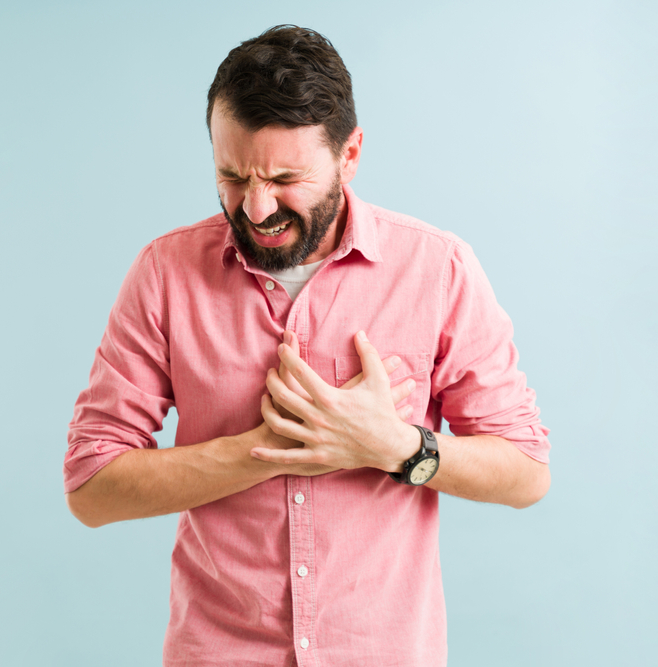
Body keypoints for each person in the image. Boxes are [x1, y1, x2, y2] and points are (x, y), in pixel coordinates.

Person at [64, 24, 550, 667]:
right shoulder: (164, 273)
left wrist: (395, 447)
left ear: (349, 156)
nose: (256, 207)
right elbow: (92, 486)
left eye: (286, 178)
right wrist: (264, 451)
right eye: (232, 176)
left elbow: (526, 472)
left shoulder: (438, 270)